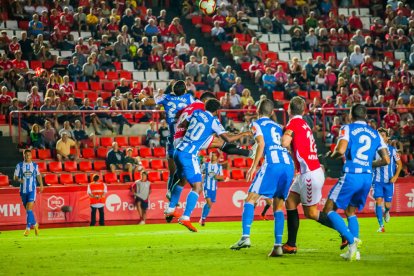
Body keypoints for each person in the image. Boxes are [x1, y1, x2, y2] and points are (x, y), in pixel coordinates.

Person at [164, 99, 251, 232]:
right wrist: (243, 134)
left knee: (181, 181)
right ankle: (186, 217)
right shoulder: (214, 121)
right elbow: (227, 139)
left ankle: (170, 209)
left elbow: (184, 123)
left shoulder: (197, 112)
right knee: (197, 187)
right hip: (189, 154)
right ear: (217, 111)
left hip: (178, 150)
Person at [322, 104, 390, 261]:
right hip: (367, 177)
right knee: (350, 212)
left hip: (351, 175)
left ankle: (352, 240)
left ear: (351, 116)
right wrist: (367, 164)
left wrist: (329, 156)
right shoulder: (375, 133)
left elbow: (340, 150)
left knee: (328, 209)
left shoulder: (347, 128)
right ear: (365, 116)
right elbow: (386, 159)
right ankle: (355, 253)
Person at [230, 99, 294, 257]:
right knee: (278, 206)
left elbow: (261, 143)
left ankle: (245, 237)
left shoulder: (256, 124)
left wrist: (253, 166)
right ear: (272, 112)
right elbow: (288, 144)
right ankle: (278, 246)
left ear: (257, 110)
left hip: (272, 163)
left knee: (250, 199)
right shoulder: (279, 127)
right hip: (288, 164)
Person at [281, 96, 330, 254]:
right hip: (308, 171)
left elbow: (285, 143)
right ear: (303, 110)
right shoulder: (304, 124)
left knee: (311, 213)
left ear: (289, 109)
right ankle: (290, 244)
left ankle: (344, 233)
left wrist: (280, 138)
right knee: (290, 201)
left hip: (309, 173)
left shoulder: (293, 123)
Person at [372, 128, 402, 232]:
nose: (381, 137)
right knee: (378, 200)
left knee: (387, 205)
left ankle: (387, 211)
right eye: (379, 135)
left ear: (387, 138)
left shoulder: (392, 150)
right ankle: (381, 226)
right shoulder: (373, 150)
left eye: (383, 135)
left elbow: (400, 164)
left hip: (389, 181)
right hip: (377, 181)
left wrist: (395, 177)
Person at [14, 149, 43, 236]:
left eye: (29, 155)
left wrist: (41, 184)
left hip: (32, 190)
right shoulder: (19, 165)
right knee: (28, 211)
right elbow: (15, 177)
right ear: (24, 156)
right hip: (23, 191)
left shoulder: (34, 165)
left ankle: (27, 228)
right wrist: (19, 180)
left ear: (31, 156)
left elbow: (38, 175)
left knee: (29, 208)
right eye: (26, 155)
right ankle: (35, 224)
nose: (27, 156)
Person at [199, 151, 224, 226]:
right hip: (206, 186)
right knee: (209, 202)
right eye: (211, 155)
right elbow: (200, 172)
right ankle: (203, 219)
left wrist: (217, 177)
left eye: (214, 155)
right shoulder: (205, 165)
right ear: (209, 156)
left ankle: (202, 218)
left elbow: (222, 177)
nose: (213, 157)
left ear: (217, 157)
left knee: (209, 205)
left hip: (214, 188)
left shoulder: (219, 166)